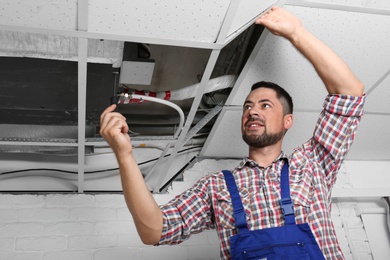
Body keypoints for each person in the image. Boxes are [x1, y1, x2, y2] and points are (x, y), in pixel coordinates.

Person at [100, 6, 365, 259]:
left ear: (288, 121)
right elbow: (154, 230)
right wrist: (124, 155)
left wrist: (297, 33)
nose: (252, 111)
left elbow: (349, 94)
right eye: (247, 106)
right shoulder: (216, 188)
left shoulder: (312, 164)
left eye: (265, 105)